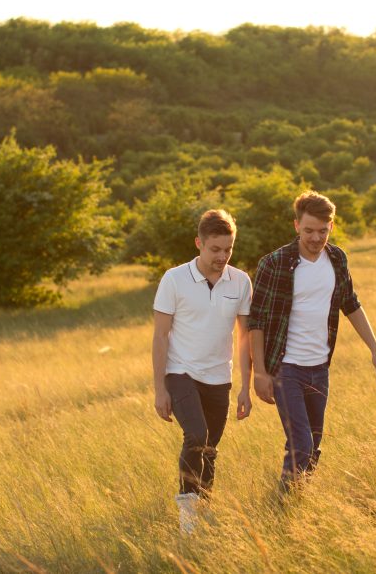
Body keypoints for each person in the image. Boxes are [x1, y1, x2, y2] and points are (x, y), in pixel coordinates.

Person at [248, 191, 376, 489]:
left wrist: (375, 350)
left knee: (314, 445)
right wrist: (259, 372)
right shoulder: (274, 263)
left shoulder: (336, 258)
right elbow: (255, 321)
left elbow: (350, 304)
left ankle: (298, 499)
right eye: (309, 230)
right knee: (301, 444)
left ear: (331, 227)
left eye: (322, 231)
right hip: (286, 368)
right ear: (296, 225)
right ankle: (284, 504)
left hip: (319, 368)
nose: (315, 237)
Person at [151, 209, 253, 533]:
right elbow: (160, 335)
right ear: (199, 243)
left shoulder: (240, 282)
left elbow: (246, 337)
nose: (222, 256)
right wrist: (159, 389)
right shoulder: (174, 279)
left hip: (219, 378)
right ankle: (187, 511)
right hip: (181, 372)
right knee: (196, 436)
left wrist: (246, 388)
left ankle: (204, 507)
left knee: (210, 449)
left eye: (228, 249)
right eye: (215, 249)